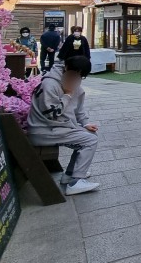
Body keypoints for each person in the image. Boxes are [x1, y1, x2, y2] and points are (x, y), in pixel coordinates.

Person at [27, 56, 100, 196]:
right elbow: (52, 114)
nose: (76, 78)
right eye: (74, 73)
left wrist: (85, 123)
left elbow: (78, 108)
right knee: (90, 140)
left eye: (80, 76)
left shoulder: (74, 83)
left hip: (57, 128)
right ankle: (76, 182)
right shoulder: (50, 84)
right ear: (65, 67)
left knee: (90, 135)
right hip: (43, 130)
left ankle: (70, 174)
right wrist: (67, 95)